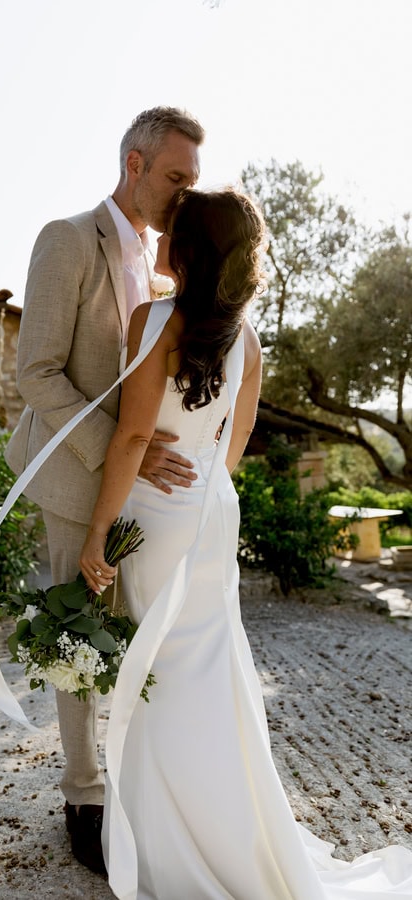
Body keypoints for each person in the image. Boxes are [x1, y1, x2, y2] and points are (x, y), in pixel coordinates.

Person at [79, 187, 412, 899]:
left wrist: (99, 531)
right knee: (208, 666)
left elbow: (133, 436)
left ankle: (168, 841)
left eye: (171, 230)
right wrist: (205, 486)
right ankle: (227, 830)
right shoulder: (249, 340)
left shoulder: (153, 320)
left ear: (188, 250)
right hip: (209, 509)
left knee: (156, 667)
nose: (160, 237)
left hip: (157, 512)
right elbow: (237, 438)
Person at [3, 106, 205, 873]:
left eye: (193, 180)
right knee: (76, 637)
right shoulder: (65, 240)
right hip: (73, 477)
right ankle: (82, 798)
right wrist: (117, 454)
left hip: (135, 483)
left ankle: (124, 778)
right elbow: (36, 373)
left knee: (128, 630)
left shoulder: (161, 266)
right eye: (176, 177)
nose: (186, 193)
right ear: (134, 164)